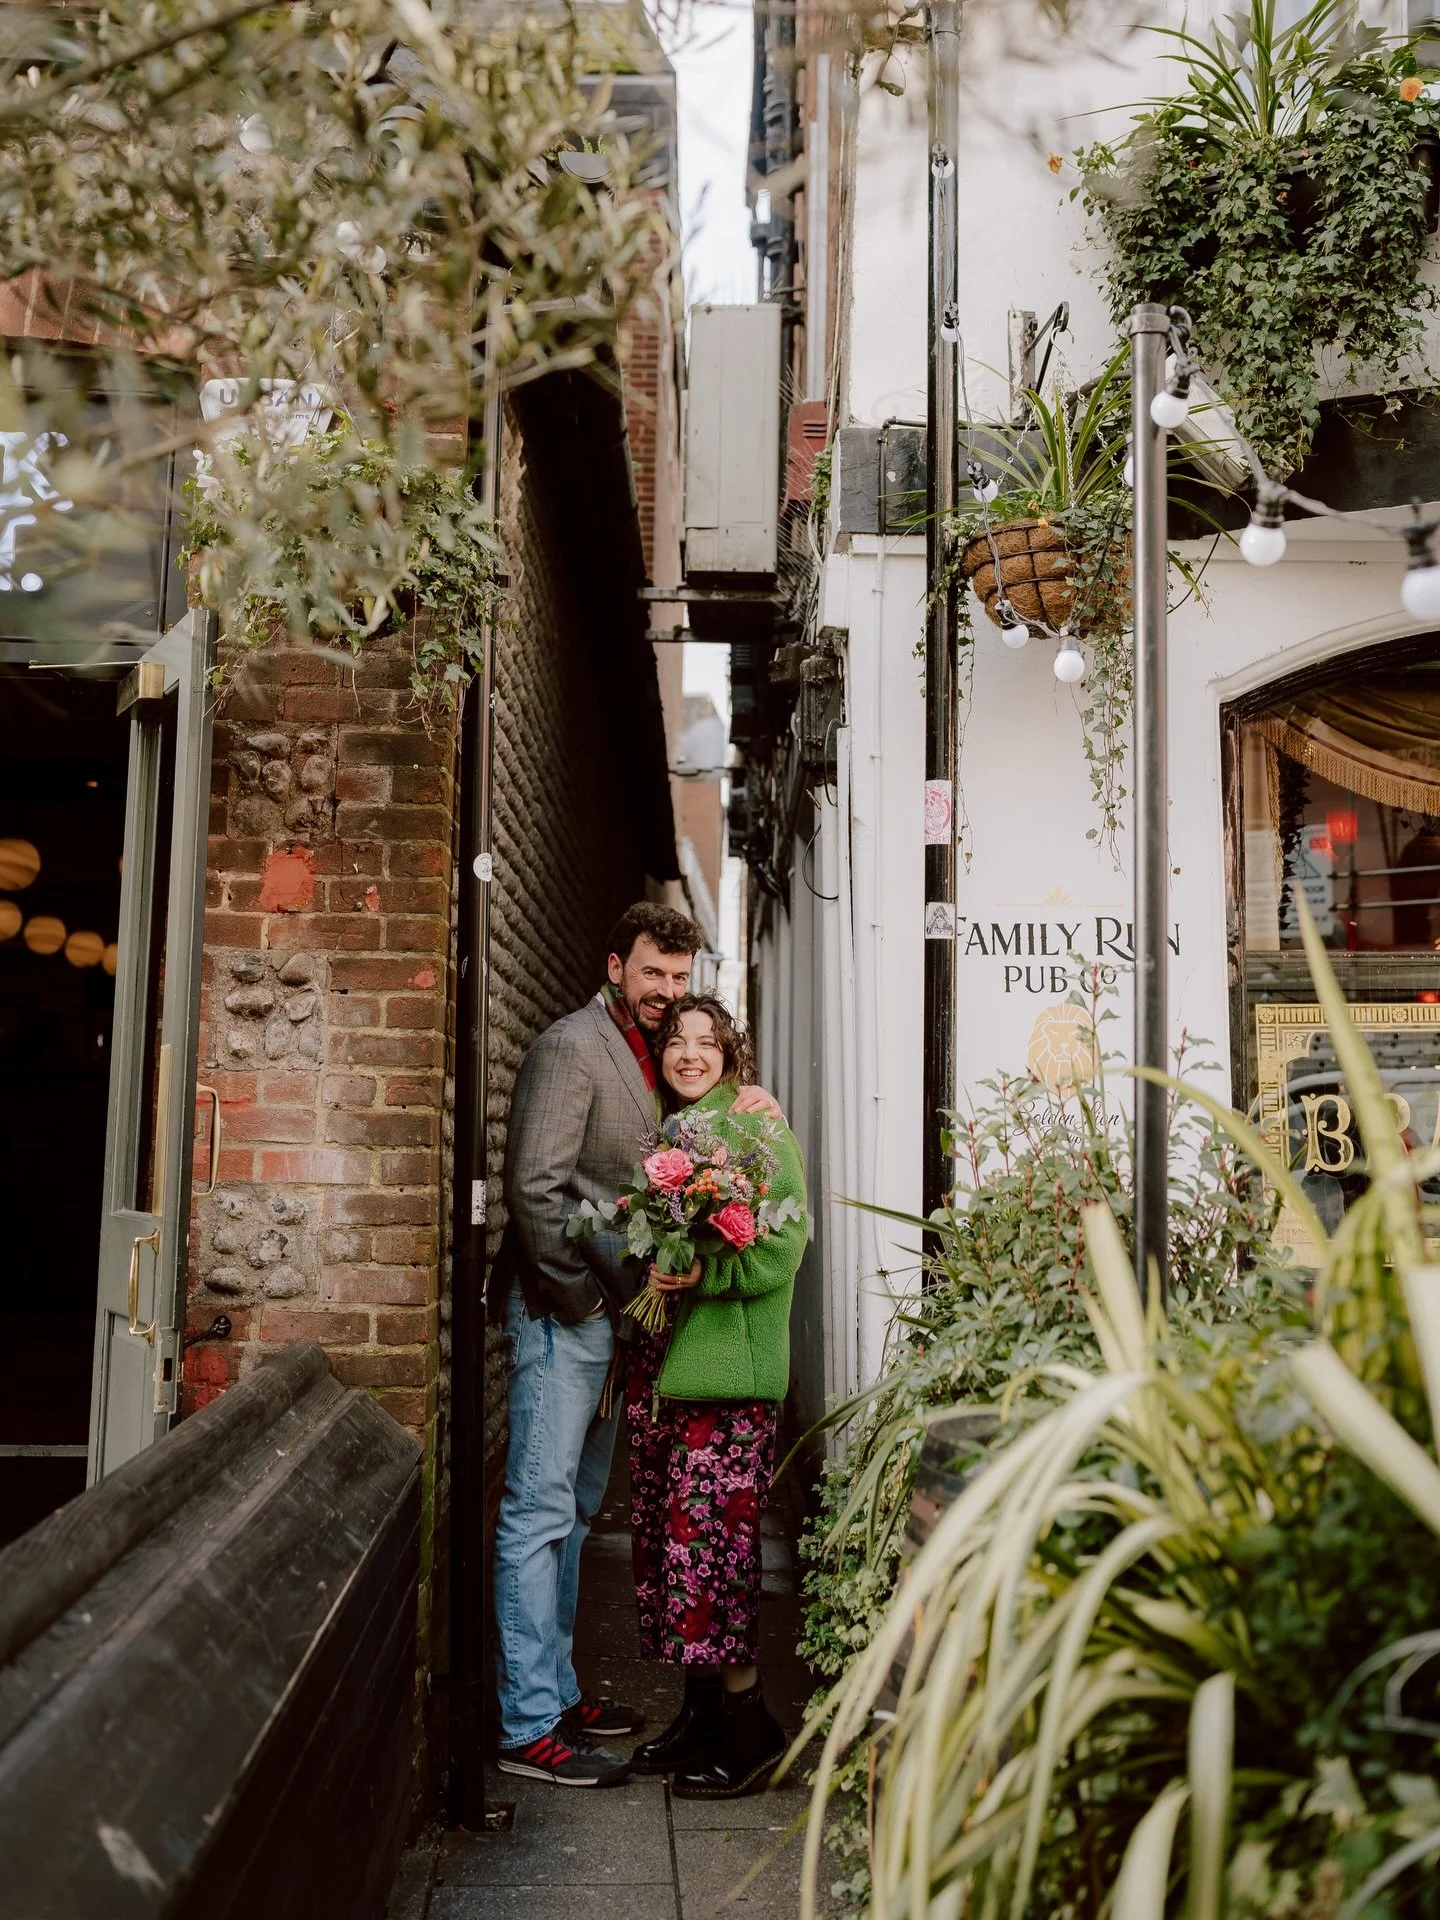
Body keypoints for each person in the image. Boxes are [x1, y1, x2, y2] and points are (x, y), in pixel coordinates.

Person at [493, 904, 782, 1787]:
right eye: (653, 973)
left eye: (679, 978)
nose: (666, 992)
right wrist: (583, 1305)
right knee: (537, 1515)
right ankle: (526, 1723)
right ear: (618, 965)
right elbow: (536, 1191)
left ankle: (562, 1692)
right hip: (563, 1318)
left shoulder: (652, 1057)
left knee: (578, 1514)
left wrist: (748, 1097)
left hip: (618, 1327)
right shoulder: (571, 1046)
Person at [625, 993, 807, 1798]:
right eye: (676, 1041)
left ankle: (752, 1729)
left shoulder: (759, 1128)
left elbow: (786, 1246)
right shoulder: (671, 1133)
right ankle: (700, 1714)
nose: (690, 1054)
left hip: (727, 1379)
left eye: (708, 1042)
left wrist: (708, 1270)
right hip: (670, 1374)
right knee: (673, 1552)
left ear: (732, 1054)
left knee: (716, 1555)